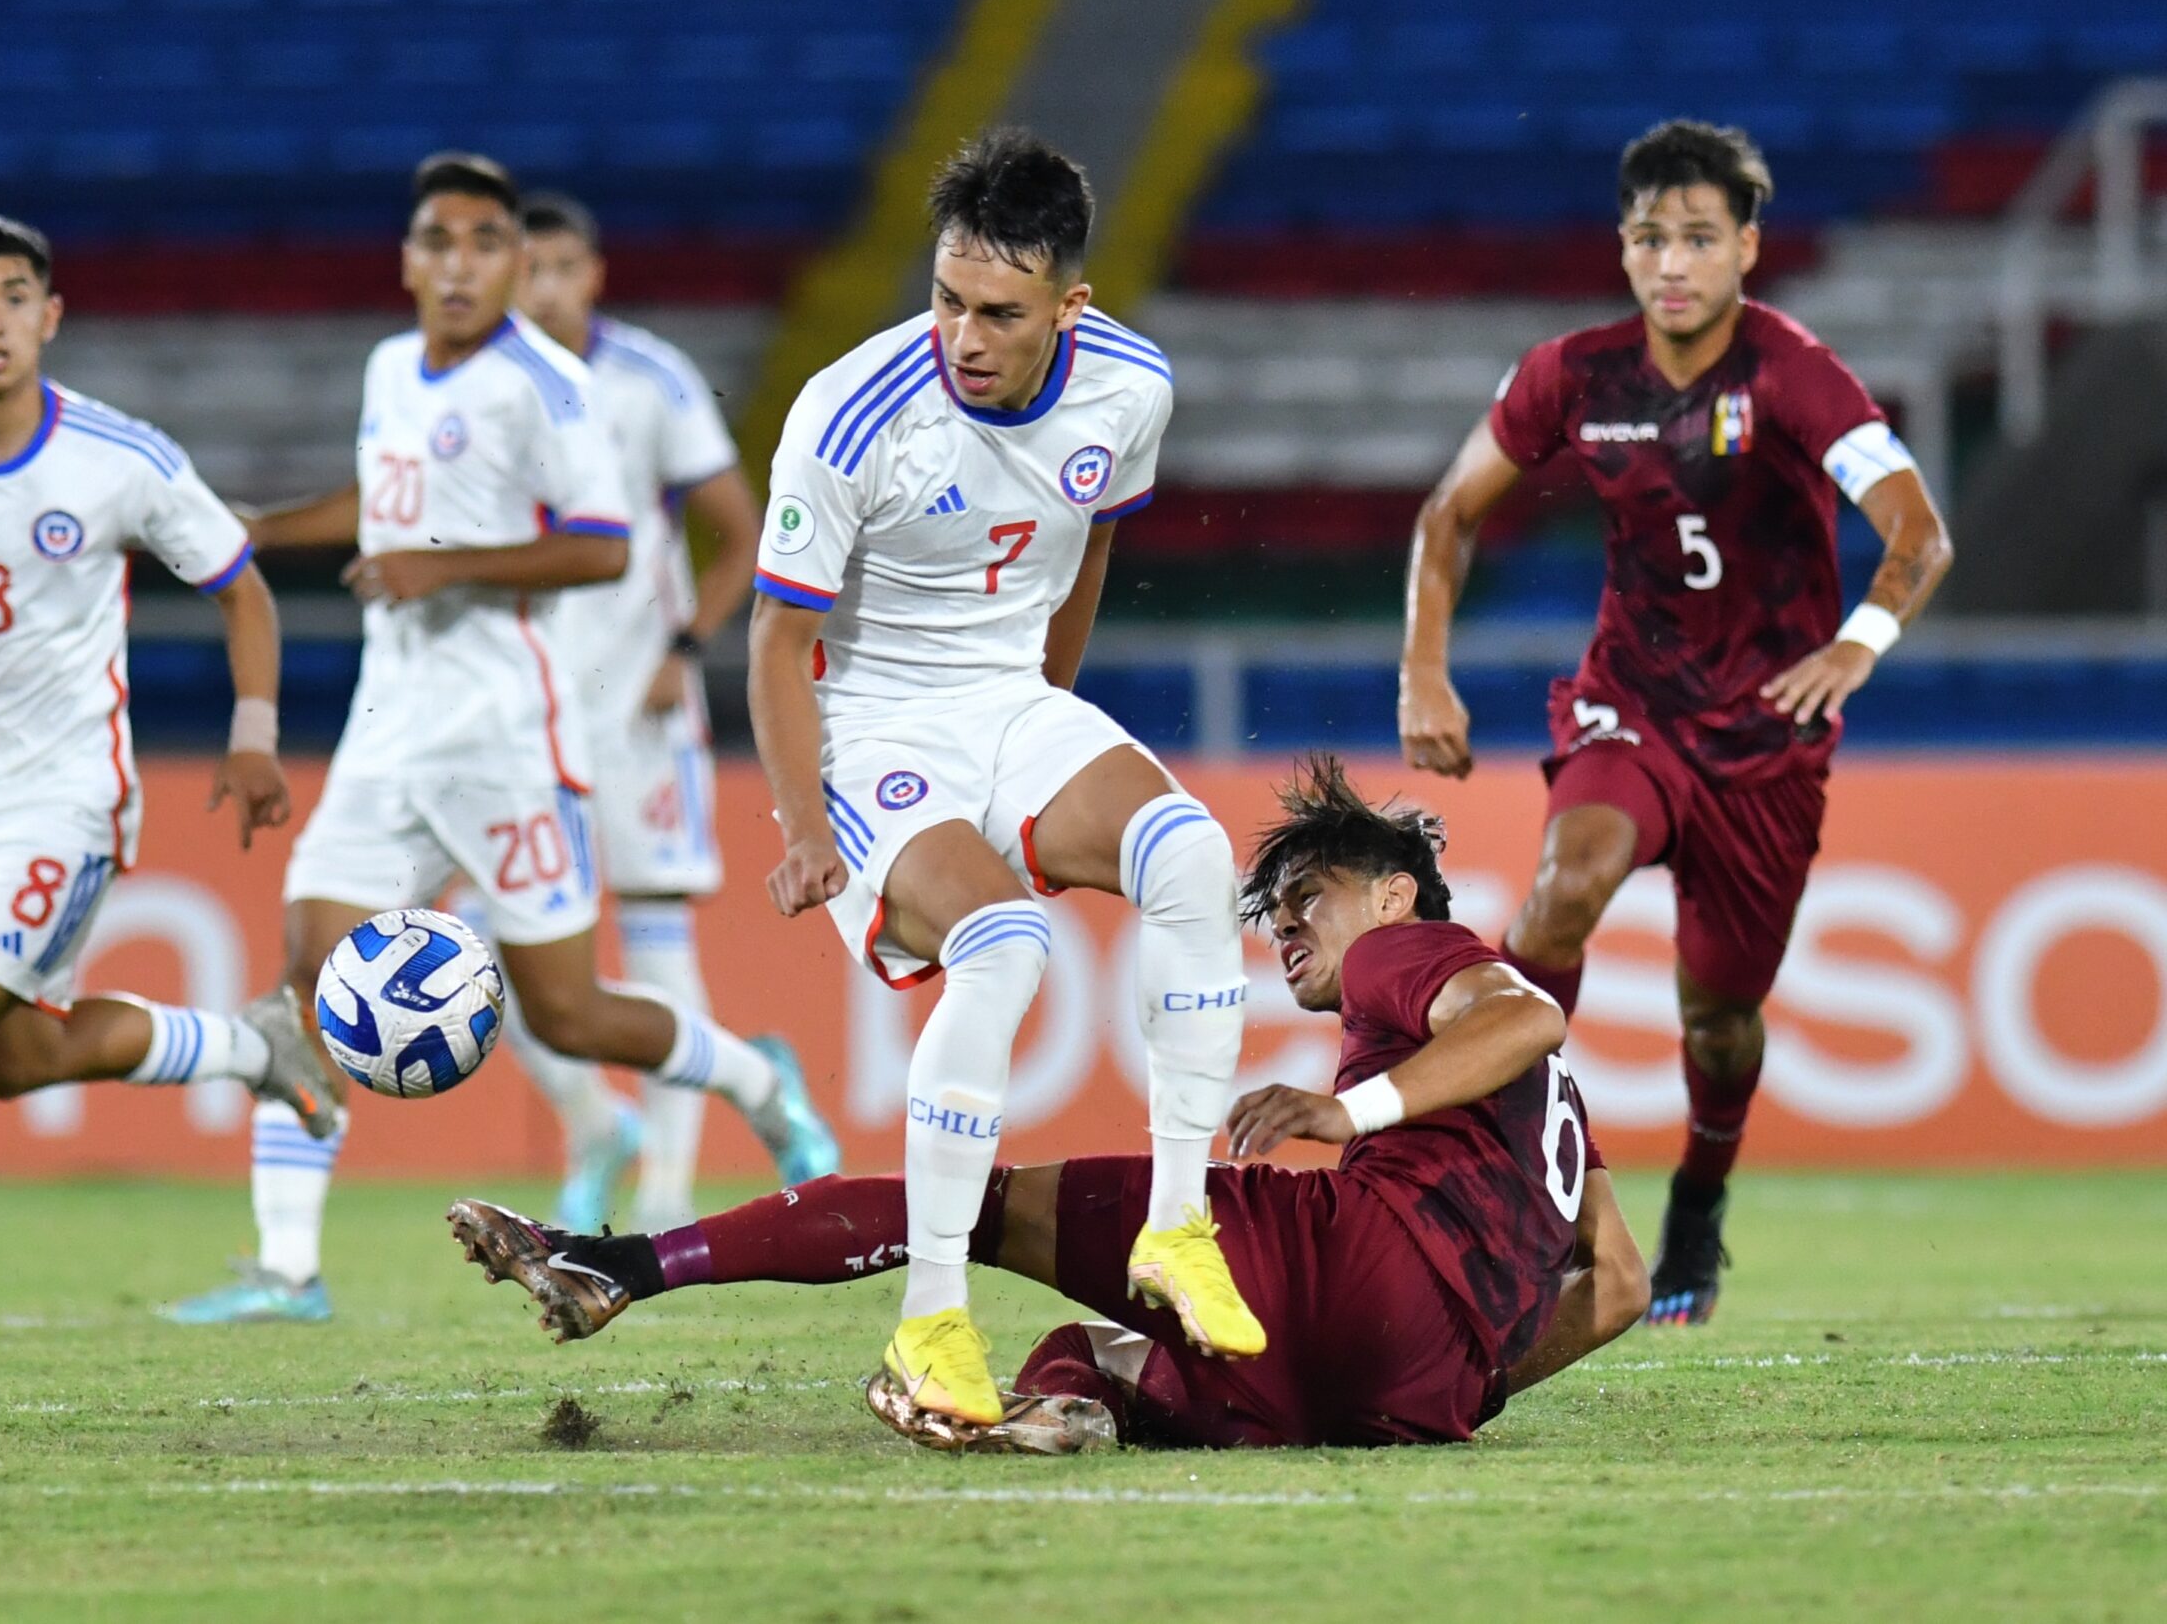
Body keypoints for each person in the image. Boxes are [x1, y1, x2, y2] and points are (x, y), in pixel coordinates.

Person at [449, 756, 1648, 1453]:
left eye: (1306, 895)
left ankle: (620, 1265)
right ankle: (1065, 1414)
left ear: (1391, 893)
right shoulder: (1557, 1108)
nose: (1281, 923)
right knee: (1097, 1348)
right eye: (1269, 910)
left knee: (964, 1205)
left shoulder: (1413, 947)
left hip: (1353, 1263)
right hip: (1413, 1388)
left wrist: (1358, 1112)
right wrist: (1464, 1382)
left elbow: (1526, 1011)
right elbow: (1618, 1287)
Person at [165, 154, 835, 1325]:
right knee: (306, 978)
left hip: (507, 742)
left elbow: (604, 546)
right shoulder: (390, 367)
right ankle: (285, 1269)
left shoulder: (551, 388)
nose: (460, 264)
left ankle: (755, 1080)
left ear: (514, 264)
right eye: (439, 240)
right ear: (410, 258)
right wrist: (264, 528)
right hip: (388, 734)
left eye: (485, 243)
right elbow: (387, 502)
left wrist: (441, 566)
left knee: (570, 1010)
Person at [1397, 120, 1955, 1324]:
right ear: (1622, 247)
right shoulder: (1572, 373)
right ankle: (1511, 1180)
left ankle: (1698, 1199)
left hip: (1765, 737)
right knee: (1562, 886)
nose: (1672, 263)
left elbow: (1921, 532)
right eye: (1650, 238)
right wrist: (1421, 670)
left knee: (1719, 1016)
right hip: (1630, 705)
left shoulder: (1797, 375)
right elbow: (1447, 514)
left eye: (1699, 238)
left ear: (1747, 247)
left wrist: (1855, 644)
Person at [745, 126, 1258, 1427]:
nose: (963, 337)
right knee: (1007, 947)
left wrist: (1057, 718)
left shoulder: (1132, 386)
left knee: (1194, 856)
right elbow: (776, 640)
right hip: (872, 730)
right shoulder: (851, 411)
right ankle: (929, 1324)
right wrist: (804, 824)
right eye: (946, 300)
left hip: (1010, 704)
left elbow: (1087, 544)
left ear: (1067, 307)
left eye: (998, 312)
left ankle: (1177, 1226)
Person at [0, 215, 339, 1344]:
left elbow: (242, 586)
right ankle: (254, 1044)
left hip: (69, 796)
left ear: (51, 316)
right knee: (18, 1057)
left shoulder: (119, 457)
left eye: (14, 295)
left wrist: (252, 731)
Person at [469, 189, 766, 1235]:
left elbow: (739, 531)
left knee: (653, 942)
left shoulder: (651, 382)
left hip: (635, 713)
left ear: (591, 273)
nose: (542, 287)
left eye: (559, 267)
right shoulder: (482, 384)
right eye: (526, 268)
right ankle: (596, 1119)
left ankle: (673, 1190)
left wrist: (683, 651)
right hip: (523, 711)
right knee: (484, 941)